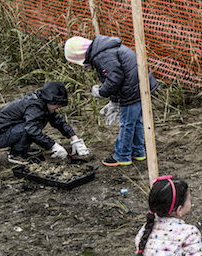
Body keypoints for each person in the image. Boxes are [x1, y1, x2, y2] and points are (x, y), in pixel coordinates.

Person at [64, 35, 159, 167]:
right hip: (140, 87)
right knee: (135, 121)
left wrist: (101, 92)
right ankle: (138, 151)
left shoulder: (102, 56)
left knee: (126, 124)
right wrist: (113, 101)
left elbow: (114, 80)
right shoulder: (105, 50)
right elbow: (118, 76)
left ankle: (123, 155)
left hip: (132, 90)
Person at [0, 81, 89, 165]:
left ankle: (21, 148)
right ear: (49, 100)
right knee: (30, 129)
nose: (59, 107)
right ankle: (16, 154)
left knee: (39, 121)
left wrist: (74, 139)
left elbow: (58, 121)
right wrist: (53, 146)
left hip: (7, 131)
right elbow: (31, 130)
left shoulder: (42, 103)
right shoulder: (34, 107)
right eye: (57, 104)